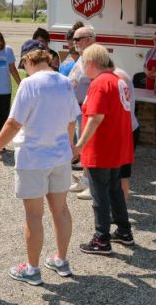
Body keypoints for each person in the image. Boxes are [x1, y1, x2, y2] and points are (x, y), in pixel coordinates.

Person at [0, 40, 79, 286]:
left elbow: (13, 123)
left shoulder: (29, 84)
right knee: (61, 210)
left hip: (33, 157)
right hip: (59, 155)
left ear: (29, 60)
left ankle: (32, 269)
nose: (23, 70)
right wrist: (71, 145)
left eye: (23, 65)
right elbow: (72, 119)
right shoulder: (64, 81)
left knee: (34, 215)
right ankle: (61, 260)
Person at [73, 44, 134, 255]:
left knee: (100, 194)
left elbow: (96, 117)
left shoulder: (100, 83)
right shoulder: (118, 81)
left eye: (83, 62)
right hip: (117, 145)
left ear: (91, 63)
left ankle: (101, 238)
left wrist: (79, 145)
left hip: (102, 146)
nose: (82, 67)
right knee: (115, 189)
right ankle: (124, 231)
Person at [67, 26, 96, 199]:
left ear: (88, 39)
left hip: (86, 108)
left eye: (77, 39)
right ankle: (86, 179)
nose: (74, 42)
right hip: (77, 107)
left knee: (87, 144)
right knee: (83, 145)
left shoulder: (93, 57)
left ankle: (92, 184)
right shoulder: (83, 56)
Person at [114, 67, 140, 201]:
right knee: (120, 174)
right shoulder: (117, 74)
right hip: (128, 130)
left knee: (119, 174)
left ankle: (119, 209)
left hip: (125, 132)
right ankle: (119, 210)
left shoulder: (118, 77)